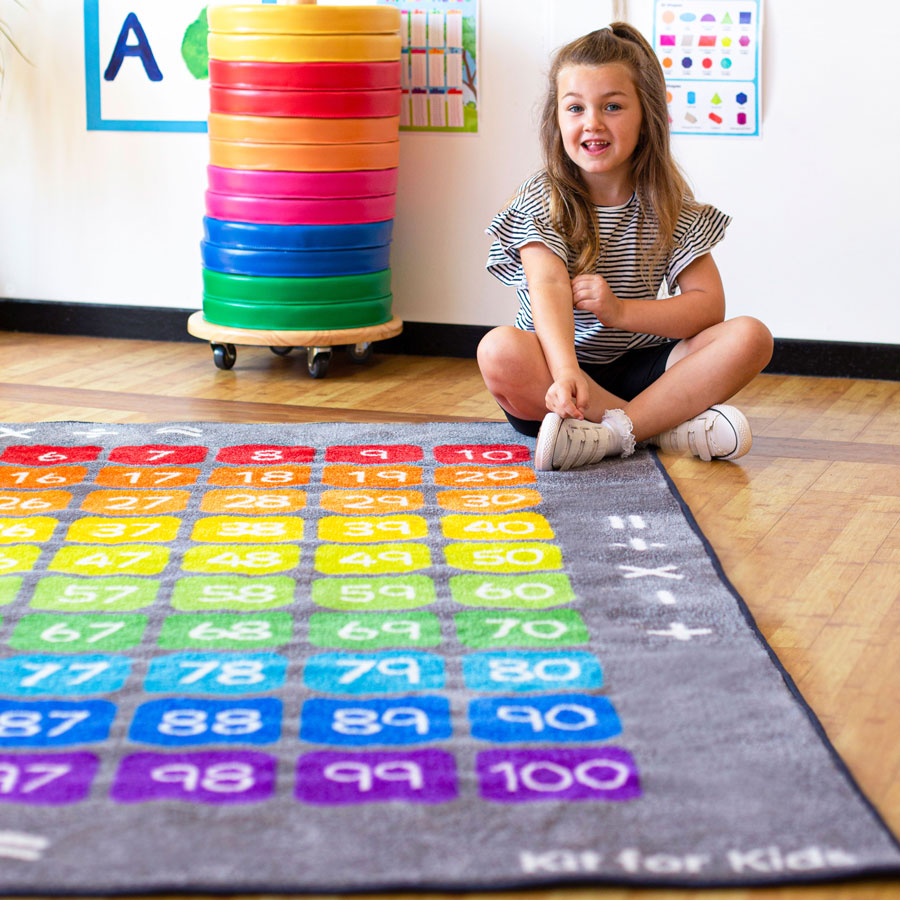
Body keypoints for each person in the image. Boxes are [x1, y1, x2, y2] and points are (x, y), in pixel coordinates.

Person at [478, 23, 773, 471]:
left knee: (751, 336)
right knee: (498, 350)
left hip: (641, 370)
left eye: (612, 106)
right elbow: (548, 284)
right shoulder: (542, 199)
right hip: (558, 374)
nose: (592, 122)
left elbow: (709, 307)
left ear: (646, 116)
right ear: (556, 120)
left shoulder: (669, 205)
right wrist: (566, 373)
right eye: (575, 108)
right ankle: (663, 429)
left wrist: (620, 312)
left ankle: (615, 432)